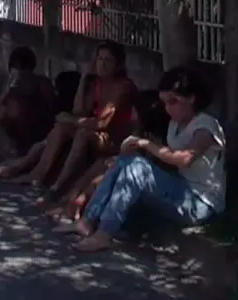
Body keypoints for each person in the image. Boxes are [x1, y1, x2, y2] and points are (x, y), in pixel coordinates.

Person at [58, 66, 226, 253]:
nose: (168, 108)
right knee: (126, 161)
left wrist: (146, 144)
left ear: (192, 98)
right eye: (165, 103)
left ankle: (104, 233)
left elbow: (184, 159)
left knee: (137, 167)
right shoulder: (174, 124)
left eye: (173, 102)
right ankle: (88, 220)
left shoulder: (206, 126)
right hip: (180, 189)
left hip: (200, 203)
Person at [9, 41, 136, 204]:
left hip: (116, 139)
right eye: (100, 59)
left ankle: (58, 187)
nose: (102, 64)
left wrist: (71, 119)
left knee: (82, 132)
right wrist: (83, 79)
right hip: (98, 133)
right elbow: (79, 112)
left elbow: (102, 123)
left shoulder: (124, 87)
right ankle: (38, 175)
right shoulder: (98, 84)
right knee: (62, 127)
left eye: (108, 60)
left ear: (118, 65)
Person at [0, 46, 57, 156]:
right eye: (15, 68)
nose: (19, 73)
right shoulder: (10, 87)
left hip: (39, 128)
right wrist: (6, 91)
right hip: (19, 129)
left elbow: (52, 107)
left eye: (22, 69)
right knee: (3, 110)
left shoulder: (42, 83)